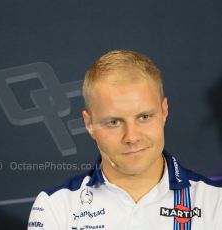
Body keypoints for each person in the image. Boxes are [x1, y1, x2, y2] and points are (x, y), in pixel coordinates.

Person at [27, 50, 222, 230]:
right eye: (113, 122)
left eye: (144, 117)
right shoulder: (56, 207)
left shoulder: (215, 202)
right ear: (89, 124)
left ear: (164, 112)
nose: (132, 137)